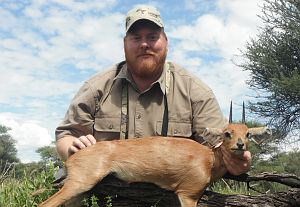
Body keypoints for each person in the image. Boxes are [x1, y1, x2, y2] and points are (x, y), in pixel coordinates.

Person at [55, 5, 251, 176]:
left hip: (171, 201)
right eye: (136, 37)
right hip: (106, 199)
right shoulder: (96, 88)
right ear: (125, 44)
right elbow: (66, 136)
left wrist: (238, 158)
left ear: (166, 42)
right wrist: (71, 148)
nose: (144, 44)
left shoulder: (195, 91)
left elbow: (221, 144)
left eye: (152, 37)